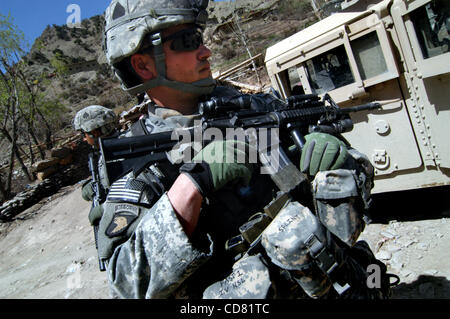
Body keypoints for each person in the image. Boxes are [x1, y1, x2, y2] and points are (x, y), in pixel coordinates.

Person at [95, 0, 393, 299]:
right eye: (188, 41)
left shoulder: (258, 107)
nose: (206, 51)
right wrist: (193, 184)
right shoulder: (139, 163)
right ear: (144, 65)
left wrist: (338, 157)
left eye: (200, 38)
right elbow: (126, 288)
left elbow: (355, 182)